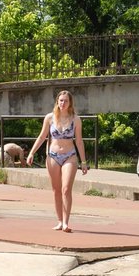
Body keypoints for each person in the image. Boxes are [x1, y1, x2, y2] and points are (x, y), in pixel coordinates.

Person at [25, 89, 88, 232]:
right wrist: (31, 153)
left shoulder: (76, 119)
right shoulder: (49, 118)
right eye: (61, 100)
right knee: (56, 190)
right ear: (57, 102)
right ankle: (59, 221)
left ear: (70, 103)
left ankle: (66, 222)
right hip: (53, 155)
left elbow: (79, 141)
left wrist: (83, 162)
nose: (63, 103)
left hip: (69, 156)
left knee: (66, 189)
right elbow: (42, 137)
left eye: (66, 101)